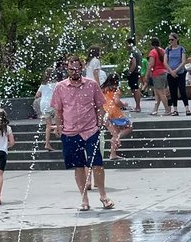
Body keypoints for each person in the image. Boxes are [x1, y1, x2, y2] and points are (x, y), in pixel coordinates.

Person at [51, 55, 114, 211]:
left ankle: (103, 196)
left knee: (97, 164)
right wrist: (59, 127)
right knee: (78, 166)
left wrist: (100, 123)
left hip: (90, 130)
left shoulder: (91, 85)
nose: (75, 72)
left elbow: (100, 106)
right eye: (71, 69)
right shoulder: (60, 87)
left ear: (82, 68)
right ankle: (84, 199)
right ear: (67, 69)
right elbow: (58, 110)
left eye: (77, 68)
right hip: (70, 132)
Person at [101, 74, 132, 160]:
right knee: (129, 127)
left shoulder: (102, 89)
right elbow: (117, 102)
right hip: (114, 113)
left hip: (105, 114)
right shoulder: (115, 89)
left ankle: (113, 154)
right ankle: (118, 137)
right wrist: (124, 104)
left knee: (115, 133)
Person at [165, 32, 191, 117]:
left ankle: (187, 108)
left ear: (176, 39)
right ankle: (175, 109)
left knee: (182, 90)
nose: (171, 41)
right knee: (173, 91)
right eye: (169, 40)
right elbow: (165, 61)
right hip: (170, 73)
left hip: (180, 72)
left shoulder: (181, 49)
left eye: (172, 40)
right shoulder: (168, 49)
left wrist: (176, 70)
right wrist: (171, 71)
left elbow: (183, 61)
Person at [33, 70, 57, 151]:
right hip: (52, 103)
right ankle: (56, 129)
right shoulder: (56, 84)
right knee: (61, 115)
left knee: (48, 125)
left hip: (43, 105)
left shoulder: (43, 85)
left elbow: (37, 95)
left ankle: (47, 144)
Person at [146, 38, 169, 115]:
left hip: (157, 74)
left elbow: (151, 64)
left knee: (161, 93)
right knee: (157, 93)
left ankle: (167, 110)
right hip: (164, 72)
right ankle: (155, 109)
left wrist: (147, 75)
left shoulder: (153, 52)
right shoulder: (163, 51)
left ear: (151, 44)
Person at [125, 40, 143, 112]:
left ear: (130, 44)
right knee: (135, 88)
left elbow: (134, 64)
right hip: (137, 72)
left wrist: (129, 72)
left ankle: (138, 106)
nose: (126, 46)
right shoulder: (137, 51)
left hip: (134, 72)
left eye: (126, 44)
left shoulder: (132, 52)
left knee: (135, 89)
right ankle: (137, 106)